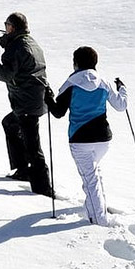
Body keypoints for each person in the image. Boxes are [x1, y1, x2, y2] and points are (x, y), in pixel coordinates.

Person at [45, 46, 127, 226]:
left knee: (90, 180)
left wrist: (48, 96)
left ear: (75, 63)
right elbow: (121, 106)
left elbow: (58, 112)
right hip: (103, 140)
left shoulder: (70, 84)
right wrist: (122, 89)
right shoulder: (104, 83)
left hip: (80, 139)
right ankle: (96, 208)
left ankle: (99, 220)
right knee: (94, 174)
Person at [0, 12, 52, 197]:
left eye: (6, 25)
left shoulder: (16, 47)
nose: (4, 27)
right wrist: (7, 40)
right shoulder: (31, 42)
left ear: (12, 27)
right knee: (10, 123)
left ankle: (43, 189)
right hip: (37, 98)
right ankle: (23, 170)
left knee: (33, 145)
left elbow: (5, 74)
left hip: (26, 103)